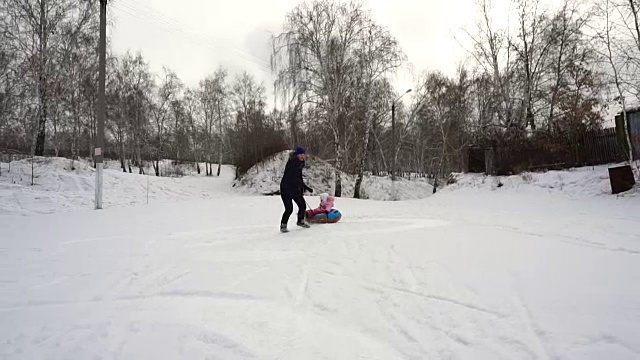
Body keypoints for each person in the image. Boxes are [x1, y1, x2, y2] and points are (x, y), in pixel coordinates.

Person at [280, 146, 313, 232]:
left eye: (303, 154)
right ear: (297, 155)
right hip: (286, 188)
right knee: (289, 208)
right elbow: (292, 178)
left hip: (295, 188)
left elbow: (299, 177)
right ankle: (283, 225)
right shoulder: (293, 163)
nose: (302, 156)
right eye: (300, 154)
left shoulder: (300, 163)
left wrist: (305, 187)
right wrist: (299, 186)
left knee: (302, 204)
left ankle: (300, 221)